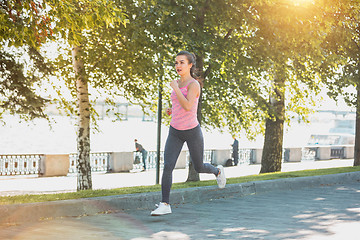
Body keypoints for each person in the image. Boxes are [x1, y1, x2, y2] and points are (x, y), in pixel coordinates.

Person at [151, 51, 226, 216]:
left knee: (199, 167)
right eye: (176, 62)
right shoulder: (177, 83)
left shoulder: (194, 85)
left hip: (192, 131)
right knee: (168, 165)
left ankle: (217, 171)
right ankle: (165, 204)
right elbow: (180, 105)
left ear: (190, 65)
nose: (178, 66)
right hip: (175, 131)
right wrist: (172, 109)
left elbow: (187, 105)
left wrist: (176, 88)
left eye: (182, 62)